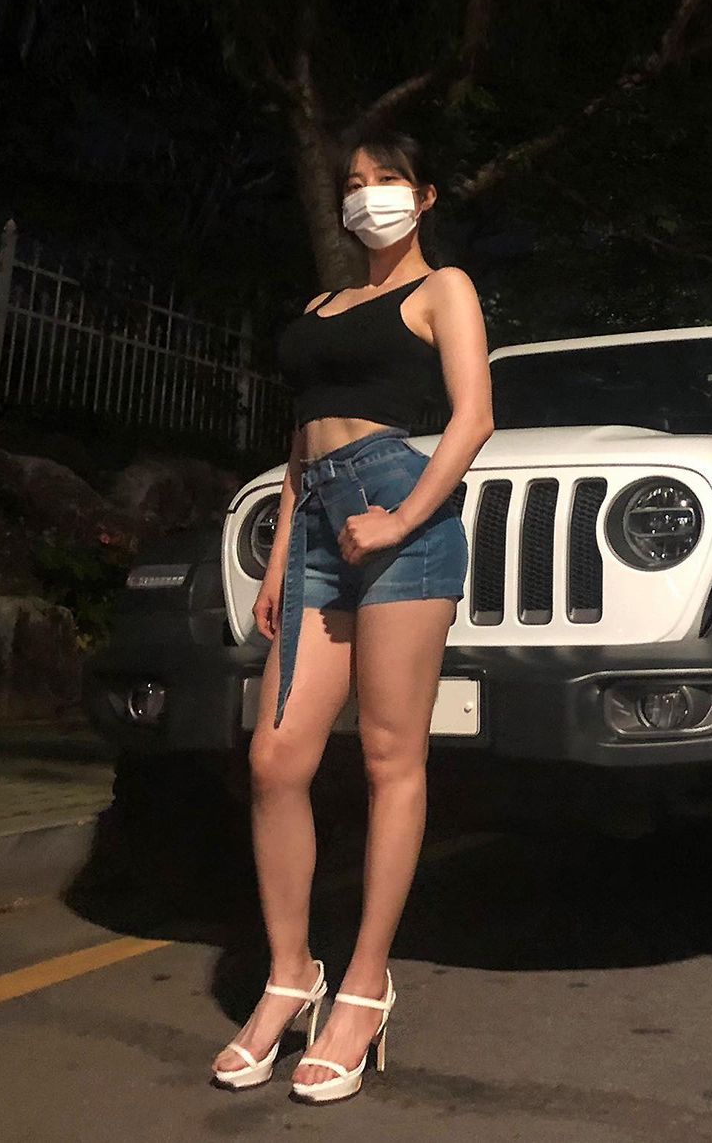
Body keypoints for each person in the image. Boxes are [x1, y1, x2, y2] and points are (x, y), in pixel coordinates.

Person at [210, 126, 494, 1103]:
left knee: (387, 757)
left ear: (425, 195)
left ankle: (365, 988)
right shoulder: (321, 307)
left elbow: (473, 417)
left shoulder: (443, 289)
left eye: (388, 179)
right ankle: (291, 975)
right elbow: (301, 448)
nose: (369, 194)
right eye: (356, 182)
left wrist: (403, 519)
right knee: (275, 757)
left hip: (404, 515)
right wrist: (282, 557)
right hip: (322, 526)